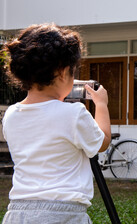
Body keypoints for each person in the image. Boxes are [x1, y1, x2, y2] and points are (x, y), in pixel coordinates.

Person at [1, 23, 111, 223]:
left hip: (18, 212)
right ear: (62, 72)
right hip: (62, 213)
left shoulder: (11, 115)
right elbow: (102, 142)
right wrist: (101, 105)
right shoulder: (73, 113)